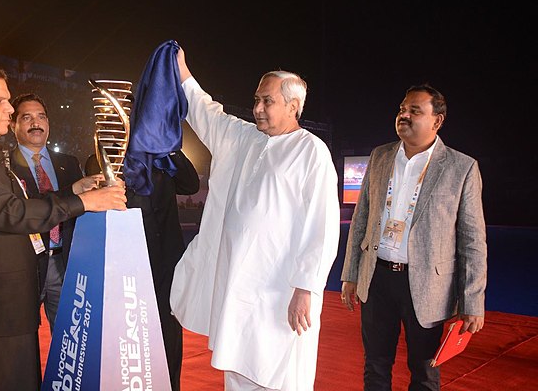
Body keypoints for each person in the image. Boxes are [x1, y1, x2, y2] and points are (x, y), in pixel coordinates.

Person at [0, 62, 127, 391]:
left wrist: (72, 192)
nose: (9, 110)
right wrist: (86, 203)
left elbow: (15, 203)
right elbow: (7, 211)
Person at [169, 47, 340, 390]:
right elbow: (206, 112)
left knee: (279, 372)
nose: (258, 108)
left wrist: (305, 287)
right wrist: (182, 72)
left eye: (267, 101)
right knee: (236, 362)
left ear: (293, 106)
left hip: (281, 290)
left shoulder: (311, 152)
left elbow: (322, 227)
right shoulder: (244, 138)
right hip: (238, 284)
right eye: (257, 100)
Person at [340, 84, 487, 390]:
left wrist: (472, 300)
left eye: (414, 111)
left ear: (438, 120)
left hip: (428, 286)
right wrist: (351, 273)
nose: (403, 115)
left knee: (424, 373)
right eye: (401, 110)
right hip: (377, 280)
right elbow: (361, 218)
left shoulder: (461, 168)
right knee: (375, 366)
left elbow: (472, 241)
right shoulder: (380, 156)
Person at [85, 149, 200, 391]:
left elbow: (190, 185)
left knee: (168, 336)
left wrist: (170, 148)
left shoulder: (164, 157)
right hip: (125, 264)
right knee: (129, 338)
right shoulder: (102, 158)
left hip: (166, 263)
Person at [9, 93, 96, 333]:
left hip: (64, 262)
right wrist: (72, 191)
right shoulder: (4, 166)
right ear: (12, 125)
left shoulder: (68, 162)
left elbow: (82, 208)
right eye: (26, 118)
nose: (36, 123)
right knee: (21, 338)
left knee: (69, 337)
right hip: (25, 266)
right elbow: (23, 209)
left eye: (41, 117)